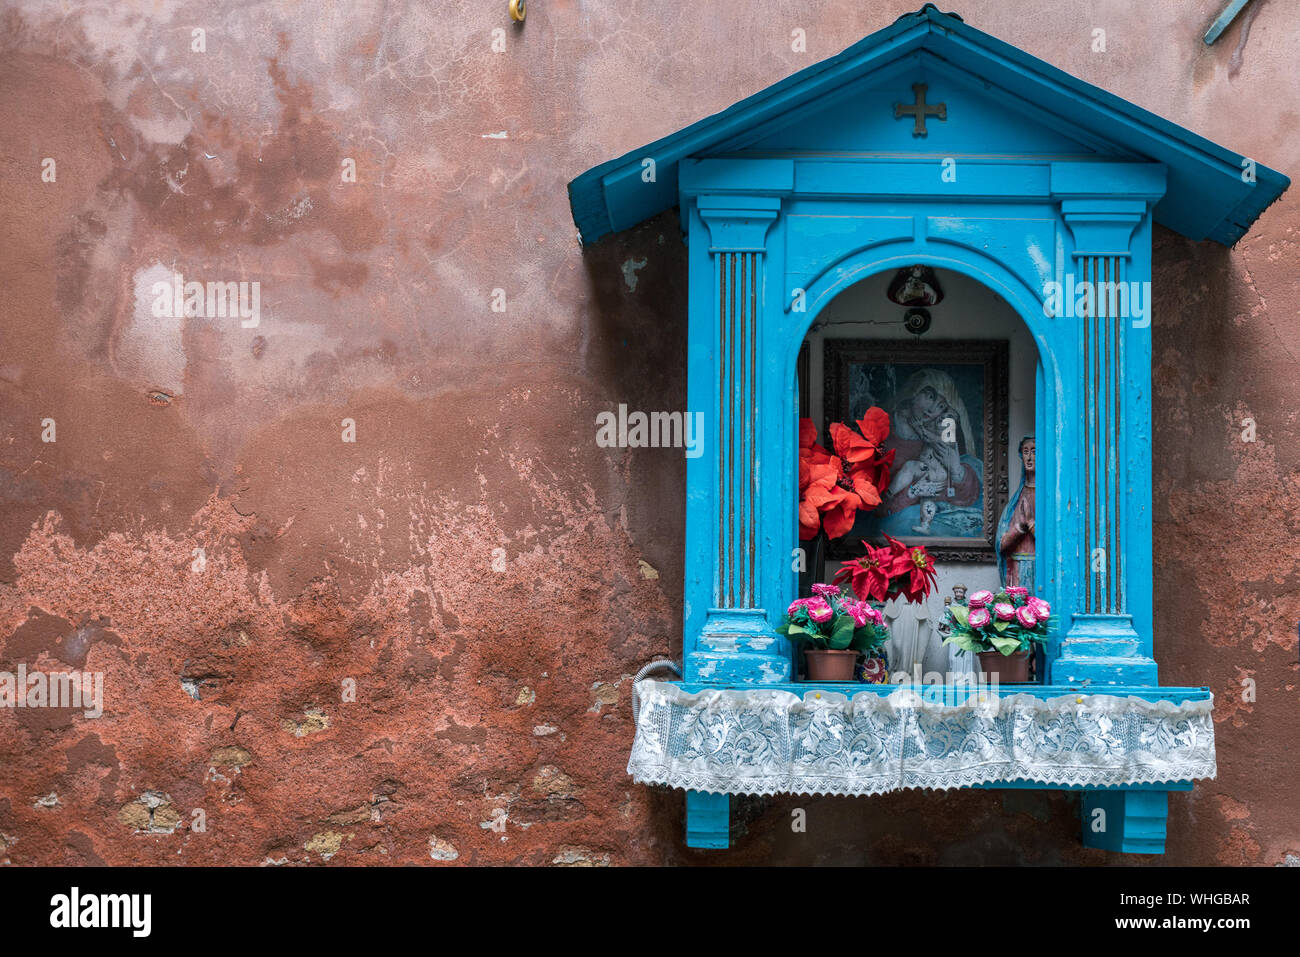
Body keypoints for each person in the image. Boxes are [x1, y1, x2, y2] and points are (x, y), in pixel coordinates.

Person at [997, 436, 1036, 590]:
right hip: (1016, 569)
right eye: (1025, 451)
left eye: (1034, 451)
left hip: (1040, 568)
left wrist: (1031, 522)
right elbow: (1001, 544)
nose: (1029, 457)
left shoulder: (1047, 498)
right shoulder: (1017, 499)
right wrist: (1019, 528)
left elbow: (1054, 542)